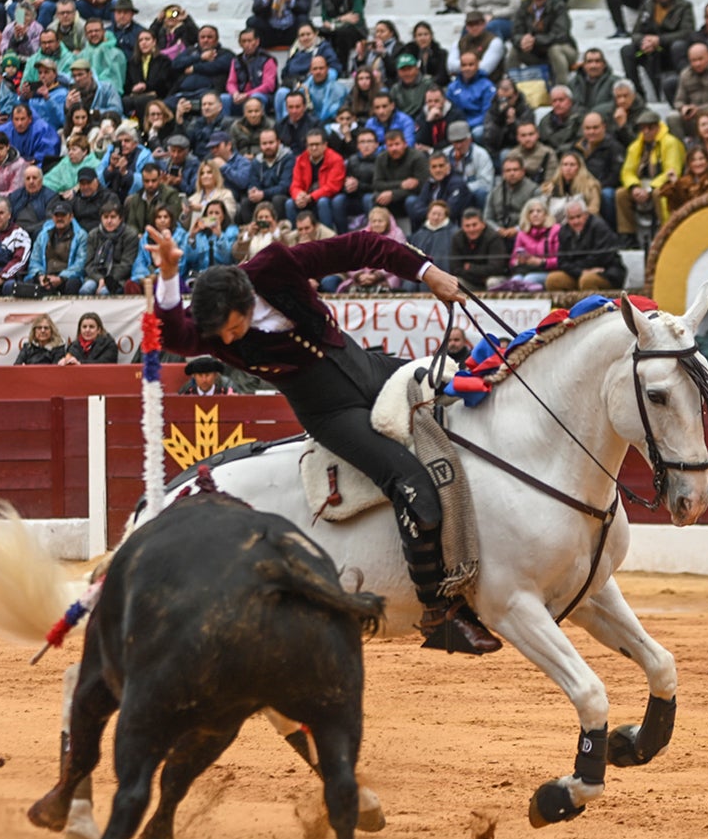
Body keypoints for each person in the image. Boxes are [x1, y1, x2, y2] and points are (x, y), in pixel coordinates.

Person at [143, 217, 501, 654]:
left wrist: (429, 274)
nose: (230, 339)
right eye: (223, 335)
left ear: (247, 297)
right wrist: (167, 276)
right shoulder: (213, 327)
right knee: (409, 482)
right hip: (329, 412)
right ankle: (438, 611)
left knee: (462, 388)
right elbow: (173, 334)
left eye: (235, 327)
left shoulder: (274, 265)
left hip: (367, 369)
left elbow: (363, 246)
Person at [624, 0, 697, 101]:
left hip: (669, 50)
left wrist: (659, 40)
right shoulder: (647, 5)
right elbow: (636, 33)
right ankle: (638, 95)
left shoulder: (684, 6)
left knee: (677, 46)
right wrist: (644, 41)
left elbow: (687, 32)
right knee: (627, 51)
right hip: (650, 48)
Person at [618, 110, 684, 247]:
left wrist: (649, 189)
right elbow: (627, 171)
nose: (646, 131)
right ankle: (628, 236)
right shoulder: (635, 146)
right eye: (643, 128)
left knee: (659, 194)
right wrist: (634, 187)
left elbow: (672, 170)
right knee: (621, 194)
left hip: (661, 184)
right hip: (641, 184)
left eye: (650, 127)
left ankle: (666, 229)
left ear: (658, 126)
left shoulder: (670, 143)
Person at [509, 0, 580, 86]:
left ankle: (562, 90)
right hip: (537, 53)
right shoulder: (524, 7)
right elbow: (515, 32)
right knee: (515, 51)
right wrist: (522, 40)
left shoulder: (558, 6)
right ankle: (512, 89)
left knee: (554, 50)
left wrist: (535, 40)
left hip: (564, 50)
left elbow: (561, 34)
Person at [543, 195, 622, 291]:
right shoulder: (564, 231)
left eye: (578, 216)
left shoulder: (599, 227)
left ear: (586, 215)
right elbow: (562, 262)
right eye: (571, 218)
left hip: (605, 272)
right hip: (577, 273)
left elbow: (602, 257)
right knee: (553, 280)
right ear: (567, 219)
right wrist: (581, 271)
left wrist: (583, 271)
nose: (576, 221)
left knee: (587, 280)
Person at [449, 208, 507, 290]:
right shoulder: (457, 238)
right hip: (470, 280)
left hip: (492, 279)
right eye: (467, 226)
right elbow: (455, 268)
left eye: (474, 225)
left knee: (492, 282)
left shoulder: (494, 237)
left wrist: (470, 267)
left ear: (483, 224)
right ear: (462, 226)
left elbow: (496, 268)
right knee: (455, 282)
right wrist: (477, 276)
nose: (471, 229)